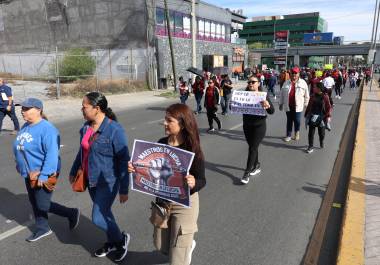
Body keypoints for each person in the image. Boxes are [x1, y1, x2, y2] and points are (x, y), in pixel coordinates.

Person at [128, 103, 206, 265]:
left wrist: (193, 182)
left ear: (182, 124)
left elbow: (202, 180)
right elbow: (150, 170)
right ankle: (188, 245)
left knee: (177, 258)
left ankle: (184, 248)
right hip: (163, 202)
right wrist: (135, 168)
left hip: (185, 204)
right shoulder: (161, 143)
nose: (164, 123)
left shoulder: (193, 148)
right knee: (161, 246)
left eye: (169, 120)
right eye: (165, 119)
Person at [69, 92, 130, 262]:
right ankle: (112, 241)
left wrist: (124, 189)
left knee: (98, 217)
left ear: (97, 108)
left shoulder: (114, 129)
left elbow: (124, 160)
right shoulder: (85, 128)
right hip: (91, 180)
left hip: (108, 182)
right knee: (105, 213)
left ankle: (120, 240)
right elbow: (83, 151)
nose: (82, 109)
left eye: (85, 106)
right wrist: (74, 170)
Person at [13, 98, 80, 242]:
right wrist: (19, 164)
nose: (22, 111)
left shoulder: (48, 129)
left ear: (38, 110)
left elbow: (52, 156)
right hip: (30, 173)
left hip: (43, 172)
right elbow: (20, 146)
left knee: (42, 203)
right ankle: (43, 228)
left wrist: (44, 175)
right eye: (22, 108)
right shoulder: (26, 126)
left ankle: (71, 213)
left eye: (26, 108)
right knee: (34, 200)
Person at [241, 76, 275, 184]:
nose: (250, 83)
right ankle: (256, 165)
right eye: (249, 82)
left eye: (253, 82)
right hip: (247, 125)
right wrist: (232, 104)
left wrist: (267, 105)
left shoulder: (263, 95)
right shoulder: (244, 94)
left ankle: (246, 173)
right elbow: (236, 107)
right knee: (253, 147)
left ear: (258, 84)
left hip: (259, 126)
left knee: (252, 148)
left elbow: (272, 111)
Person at [279, 66, 310, 142]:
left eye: (295, 73)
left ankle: (297, 132)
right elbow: (282, 94)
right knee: (289, 120)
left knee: (297, 120)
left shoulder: (303, 83)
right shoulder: (286, 82)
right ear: (290, 74)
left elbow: (307, 95)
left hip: (298, 106)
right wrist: (280, 103)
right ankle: (288, 135)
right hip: (288, 105)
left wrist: (306, 105)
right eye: (292, 73)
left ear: (299, 74)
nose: (294, 75)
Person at [304, 82, 332, 153]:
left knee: (321, 133)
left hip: (321, 118)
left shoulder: (325, 97)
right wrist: (306, 114)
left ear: (319, 89)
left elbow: (329, 107)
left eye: (315, 87)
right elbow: (309, 106)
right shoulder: (312, 96)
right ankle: (310, 146)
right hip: (312, 116)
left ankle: (321, 141)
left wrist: (328, 116)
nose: (313, 88)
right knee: (311, 133)